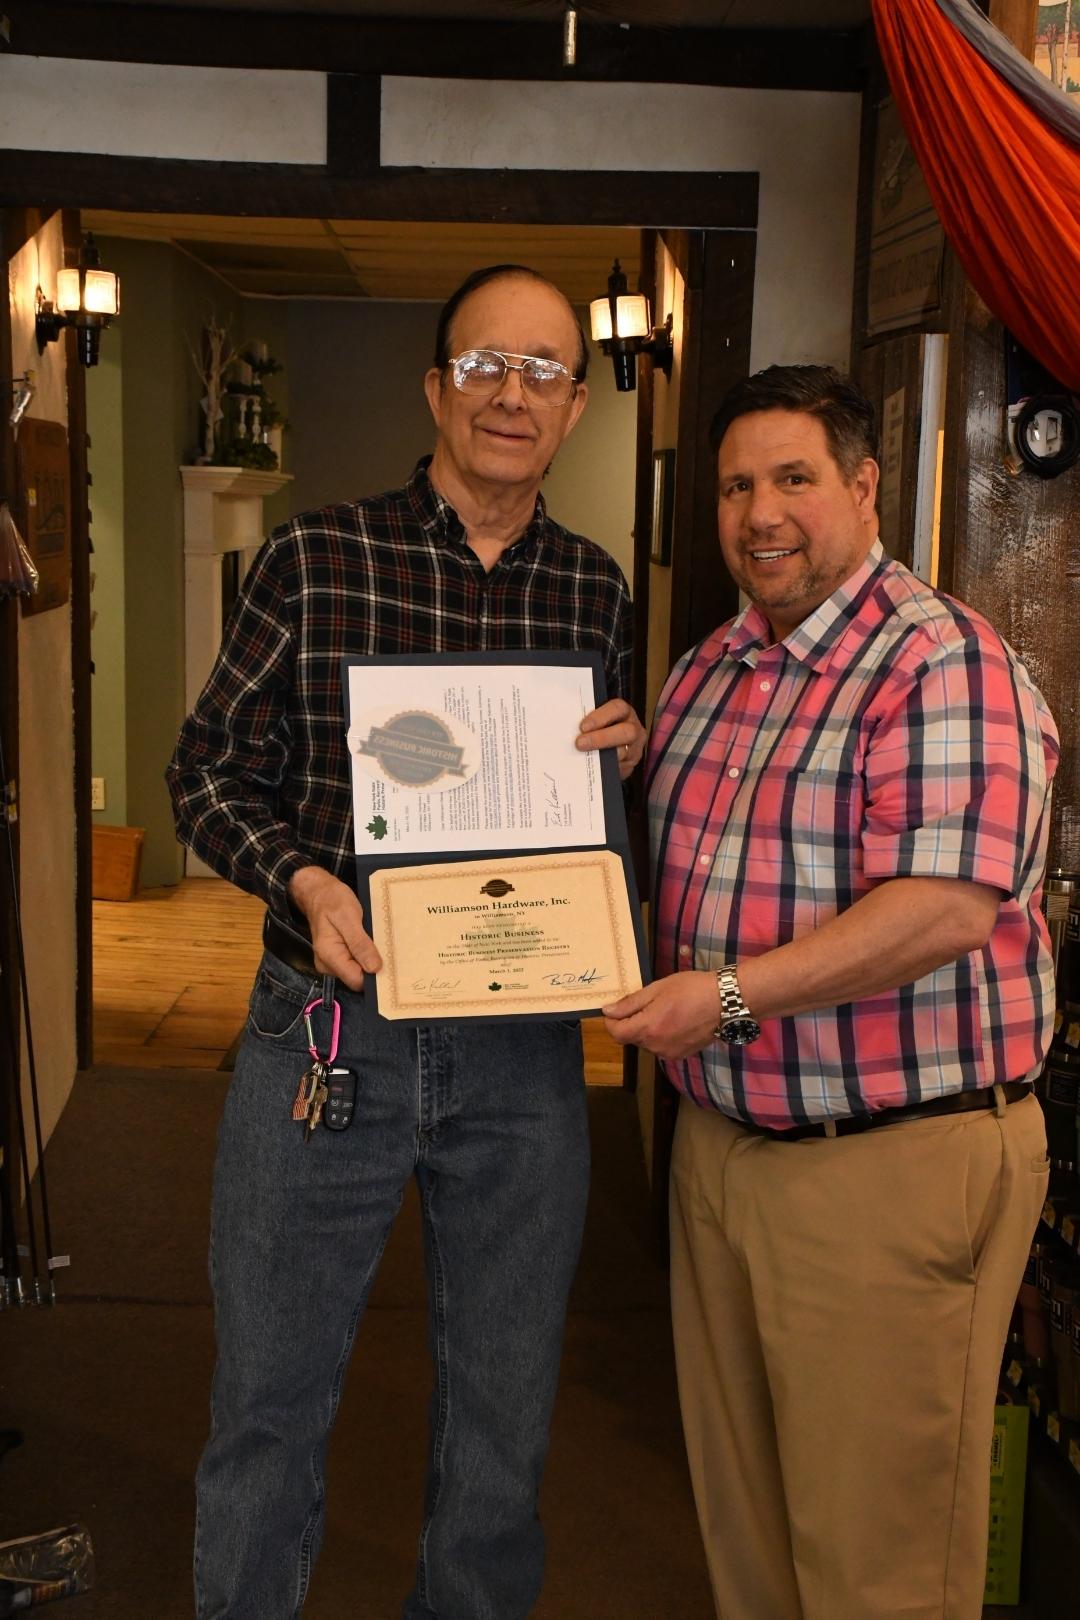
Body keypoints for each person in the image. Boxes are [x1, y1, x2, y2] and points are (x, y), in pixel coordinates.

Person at [167, 263, 646, 1620]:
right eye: (484, 364)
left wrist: (628, 762)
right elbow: (205, 770)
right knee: (269, 1399)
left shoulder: (593, 591)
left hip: (521, 1048)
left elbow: (584, 821)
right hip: (331, 1036)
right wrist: (304, 882)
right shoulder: (316, 556)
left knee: (505, 1413)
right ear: (437, 389)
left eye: (544, 370)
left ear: (573, 410)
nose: (512, 393)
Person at [603, 364, 1057, 1620]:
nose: (760, 513)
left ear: (864, 488)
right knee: (749, 1538)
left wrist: (726, 999)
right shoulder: (709, 669)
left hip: (890, 1162)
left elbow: (944, 909)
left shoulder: (940, 662)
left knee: (879, 1566)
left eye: (793, 478)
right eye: (736, 486)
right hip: (722, 1149)